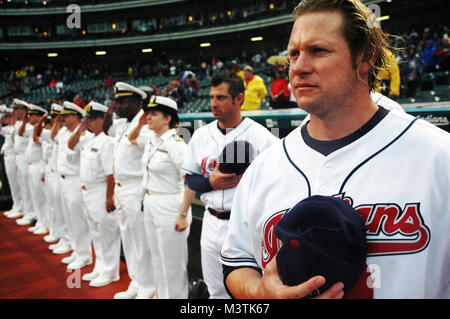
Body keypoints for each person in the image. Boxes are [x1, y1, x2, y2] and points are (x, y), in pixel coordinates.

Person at [220, 0, 449, 299]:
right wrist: (259, 291)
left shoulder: (439, 157)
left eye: (318, 51)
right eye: (294, 54)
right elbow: (237, 263)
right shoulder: (264, 168)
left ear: (366, 57)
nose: (299, 67)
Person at [181, 70, 279, 298]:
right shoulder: (200, 136)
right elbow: (191, 179)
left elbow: (278, 181)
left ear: (239, 99)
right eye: (212, 97)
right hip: (210, 220)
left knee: (247, 292)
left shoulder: (262, 137)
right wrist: (210, 182)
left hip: (243, 224)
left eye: (221, 97)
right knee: (215, 290)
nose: (214, 103)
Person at [128, 95, 194, 299]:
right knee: (157, 258)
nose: (147, 117)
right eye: (147, 113)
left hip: (170, 205)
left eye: (153, 114)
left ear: (167, 119)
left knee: (172, 264)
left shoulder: (176, 144)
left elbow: (190, 180)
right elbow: (131, 138)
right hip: (151, 202)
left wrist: (183, 213)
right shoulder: (152, 140)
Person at [107, 82, 156, 299]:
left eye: (122, 101)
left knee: (141, 241)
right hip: (121, 189)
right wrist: (111, 110)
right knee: (128, 238)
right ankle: (136, 282)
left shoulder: (145, 125)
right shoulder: (124, 125)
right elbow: (105, 126)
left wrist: (147, 190)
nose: (117, 106)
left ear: (136, 102)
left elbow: (150, 161)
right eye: (116, 101)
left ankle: (148, 286)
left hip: (136, 188)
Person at [68, 101, 121, 287]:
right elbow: (70, 144)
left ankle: (110, 271)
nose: (89, 123)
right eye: (88, 120)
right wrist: (82, 127)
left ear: (102, 120)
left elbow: (110, 173)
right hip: (87, 192)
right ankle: (99, 266)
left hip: (100, 191)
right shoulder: (89, 139)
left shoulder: (106, 142)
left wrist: (109, 197)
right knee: (95, 232)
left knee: (106, 233)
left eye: (92, 120)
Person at [53, 101, 92, 270]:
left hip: (75, 180)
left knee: (78, 220)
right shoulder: (62, 132)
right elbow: (53, 137)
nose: (63, 119)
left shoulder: (84, 135)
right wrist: (56, 123)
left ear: (75, 117)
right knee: (69, 217)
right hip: (63, 179)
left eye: (66, 116)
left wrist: (81, 129)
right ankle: (77, 249)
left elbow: (72, 151)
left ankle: (84, 255)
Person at [0, 105, 23, 219]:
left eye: (8, 117)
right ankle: (16, 205)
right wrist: (2, 117)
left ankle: (20, 207)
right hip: (8, 157)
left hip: (15, 158)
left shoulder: (16, 128)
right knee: (13, 185)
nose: (6, 120)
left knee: (18, 184)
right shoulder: (8, 129)